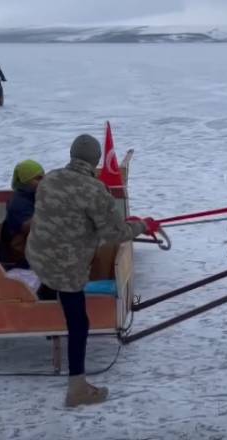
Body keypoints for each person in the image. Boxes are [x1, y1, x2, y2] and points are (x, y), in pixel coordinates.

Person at [26, 134, 159, 407]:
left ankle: (48, 306)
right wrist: (143, 226)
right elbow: (116, 233)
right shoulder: (95, 190)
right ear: (96, 160)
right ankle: (77, 388)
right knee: (79, 324)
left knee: (57, 283)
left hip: (37, 256)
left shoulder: (49, 178)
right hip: (67, 269)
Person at [1, 160, 45, 268]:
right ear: (26, 181)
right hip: (24, 254)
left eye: (44, 177)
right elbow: (29, 228)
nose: (43, 181)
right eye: (38, 178)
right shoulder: (18, 202)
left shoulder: (34, 196)